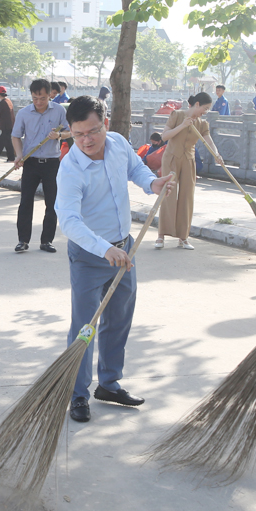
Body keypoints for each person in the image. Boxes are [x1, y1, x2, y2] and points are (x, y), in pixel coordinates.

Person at [55, 95, 175, 422]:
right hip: (91, 255)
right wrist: (104, 249)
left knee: (119, 317)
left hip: (125, 247)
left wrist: (152, 183)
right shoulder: (71, 169)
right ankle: (77, 394)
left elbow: (135, 168)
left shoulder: (119, 143)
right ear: (70, 132)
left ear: (105, 124)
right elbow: (68, 221)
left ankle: (109, 382)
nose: (87, 140)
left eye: (93, 131)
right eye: (78, 134)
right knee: (85, 326)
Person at [154, 92, 223, 250]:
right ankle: (161, 235)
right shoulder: (177, 115)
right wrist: (183, 125)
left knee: (187, 197)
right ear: (197, 104)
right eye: (204, 108)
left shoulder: (202, 124)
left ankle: (183, 238)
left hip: (188, 161)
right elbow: (164, 136)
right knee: (168, 194)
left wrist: (217, 154)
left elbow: (209, 141)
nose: (204, 112)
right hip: (171, 158)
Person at [11, 78, 70, 253]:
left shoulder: (59, 110)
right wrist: (19, 155)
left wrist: (59, 136)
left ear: (50, 95)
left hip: (51, 163)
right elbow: (15, 136)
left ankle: (46, 241)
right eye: (35, 98)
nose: (38, 102)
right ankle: (23, 240)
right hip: (31, 162)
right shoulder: (24, 113)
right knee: (26, 202)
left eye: (42, 98)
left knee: (52, 203)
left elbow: (71, 131)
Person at [0, 86, 15, 163]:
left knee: (2, 140)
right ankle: (10, 158)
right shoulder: (9, 101)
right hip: (10, 124)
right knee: (7, 141)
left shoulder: (2, 103)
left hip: (5, 125)